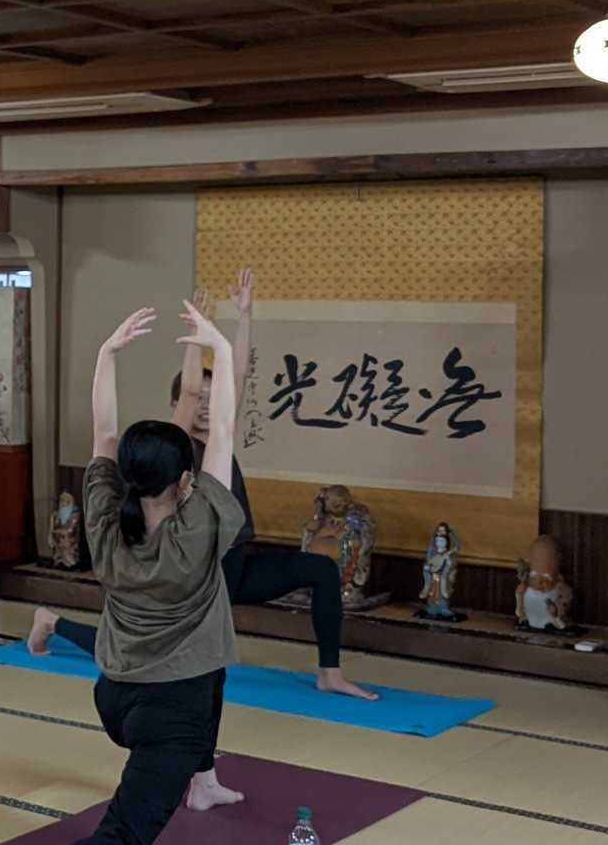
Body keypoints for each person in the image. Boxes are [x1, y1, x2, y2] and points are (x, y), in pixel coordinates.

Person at [0, 300, 244, 845]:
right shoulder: (198, 532)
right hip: (171, 712)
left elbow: (103, 433)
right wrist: (220, 348)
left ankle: (201, 781)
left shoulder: (105, 521)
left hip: (115, 696)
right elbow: (221, 433)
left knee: (197, 687)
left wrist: (104, 356)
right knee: (122, 844)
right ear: (185, 484)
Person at [29, 269, 378, 701]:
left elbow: (236, 381)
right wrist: (199, 337)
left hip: (232, 562)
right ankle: (55, 623)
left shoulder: (213, 443)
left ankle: (330, 672)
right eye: (200, 400)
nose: (208, 407)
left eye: (218, 400)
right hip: (197, 564)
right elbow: (192, 391)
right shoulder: (177, 445)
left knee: (321, 570)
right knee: (151, 644)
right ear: (176, 403)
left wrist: (245, 317)